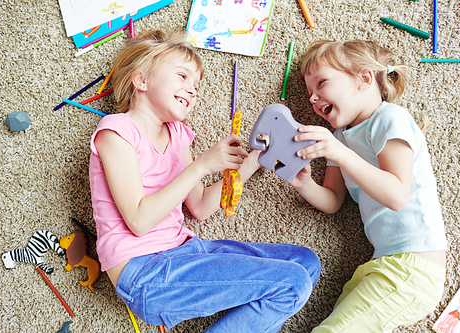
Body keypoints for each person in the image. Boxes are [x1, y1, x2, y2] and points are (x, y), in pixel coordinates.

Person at [88, 27, 321, 332]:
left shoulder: (177, 135)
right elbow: (139, 220)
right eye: (182, 76)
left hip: (187, 251)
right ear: (141, 80)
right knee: (292, 282)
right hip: (146, 273)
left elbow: (199, 207)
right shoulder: (116, 130)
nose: (193, 89)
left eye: (196, 85)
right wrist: (201, 166)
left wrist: (253, 160)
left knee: (305, 262)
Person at [292, 40, 447, 332]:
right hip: (382, 264)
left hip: (412, 266)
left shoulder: (389, 118)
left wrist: (339, 154)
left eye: (321, 83)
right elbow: (334, 200)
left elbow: (397, 194)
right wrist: (305, 185)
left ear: (364, 78)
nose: (313, 99)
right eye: (309, 92)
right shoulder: (339, 138)